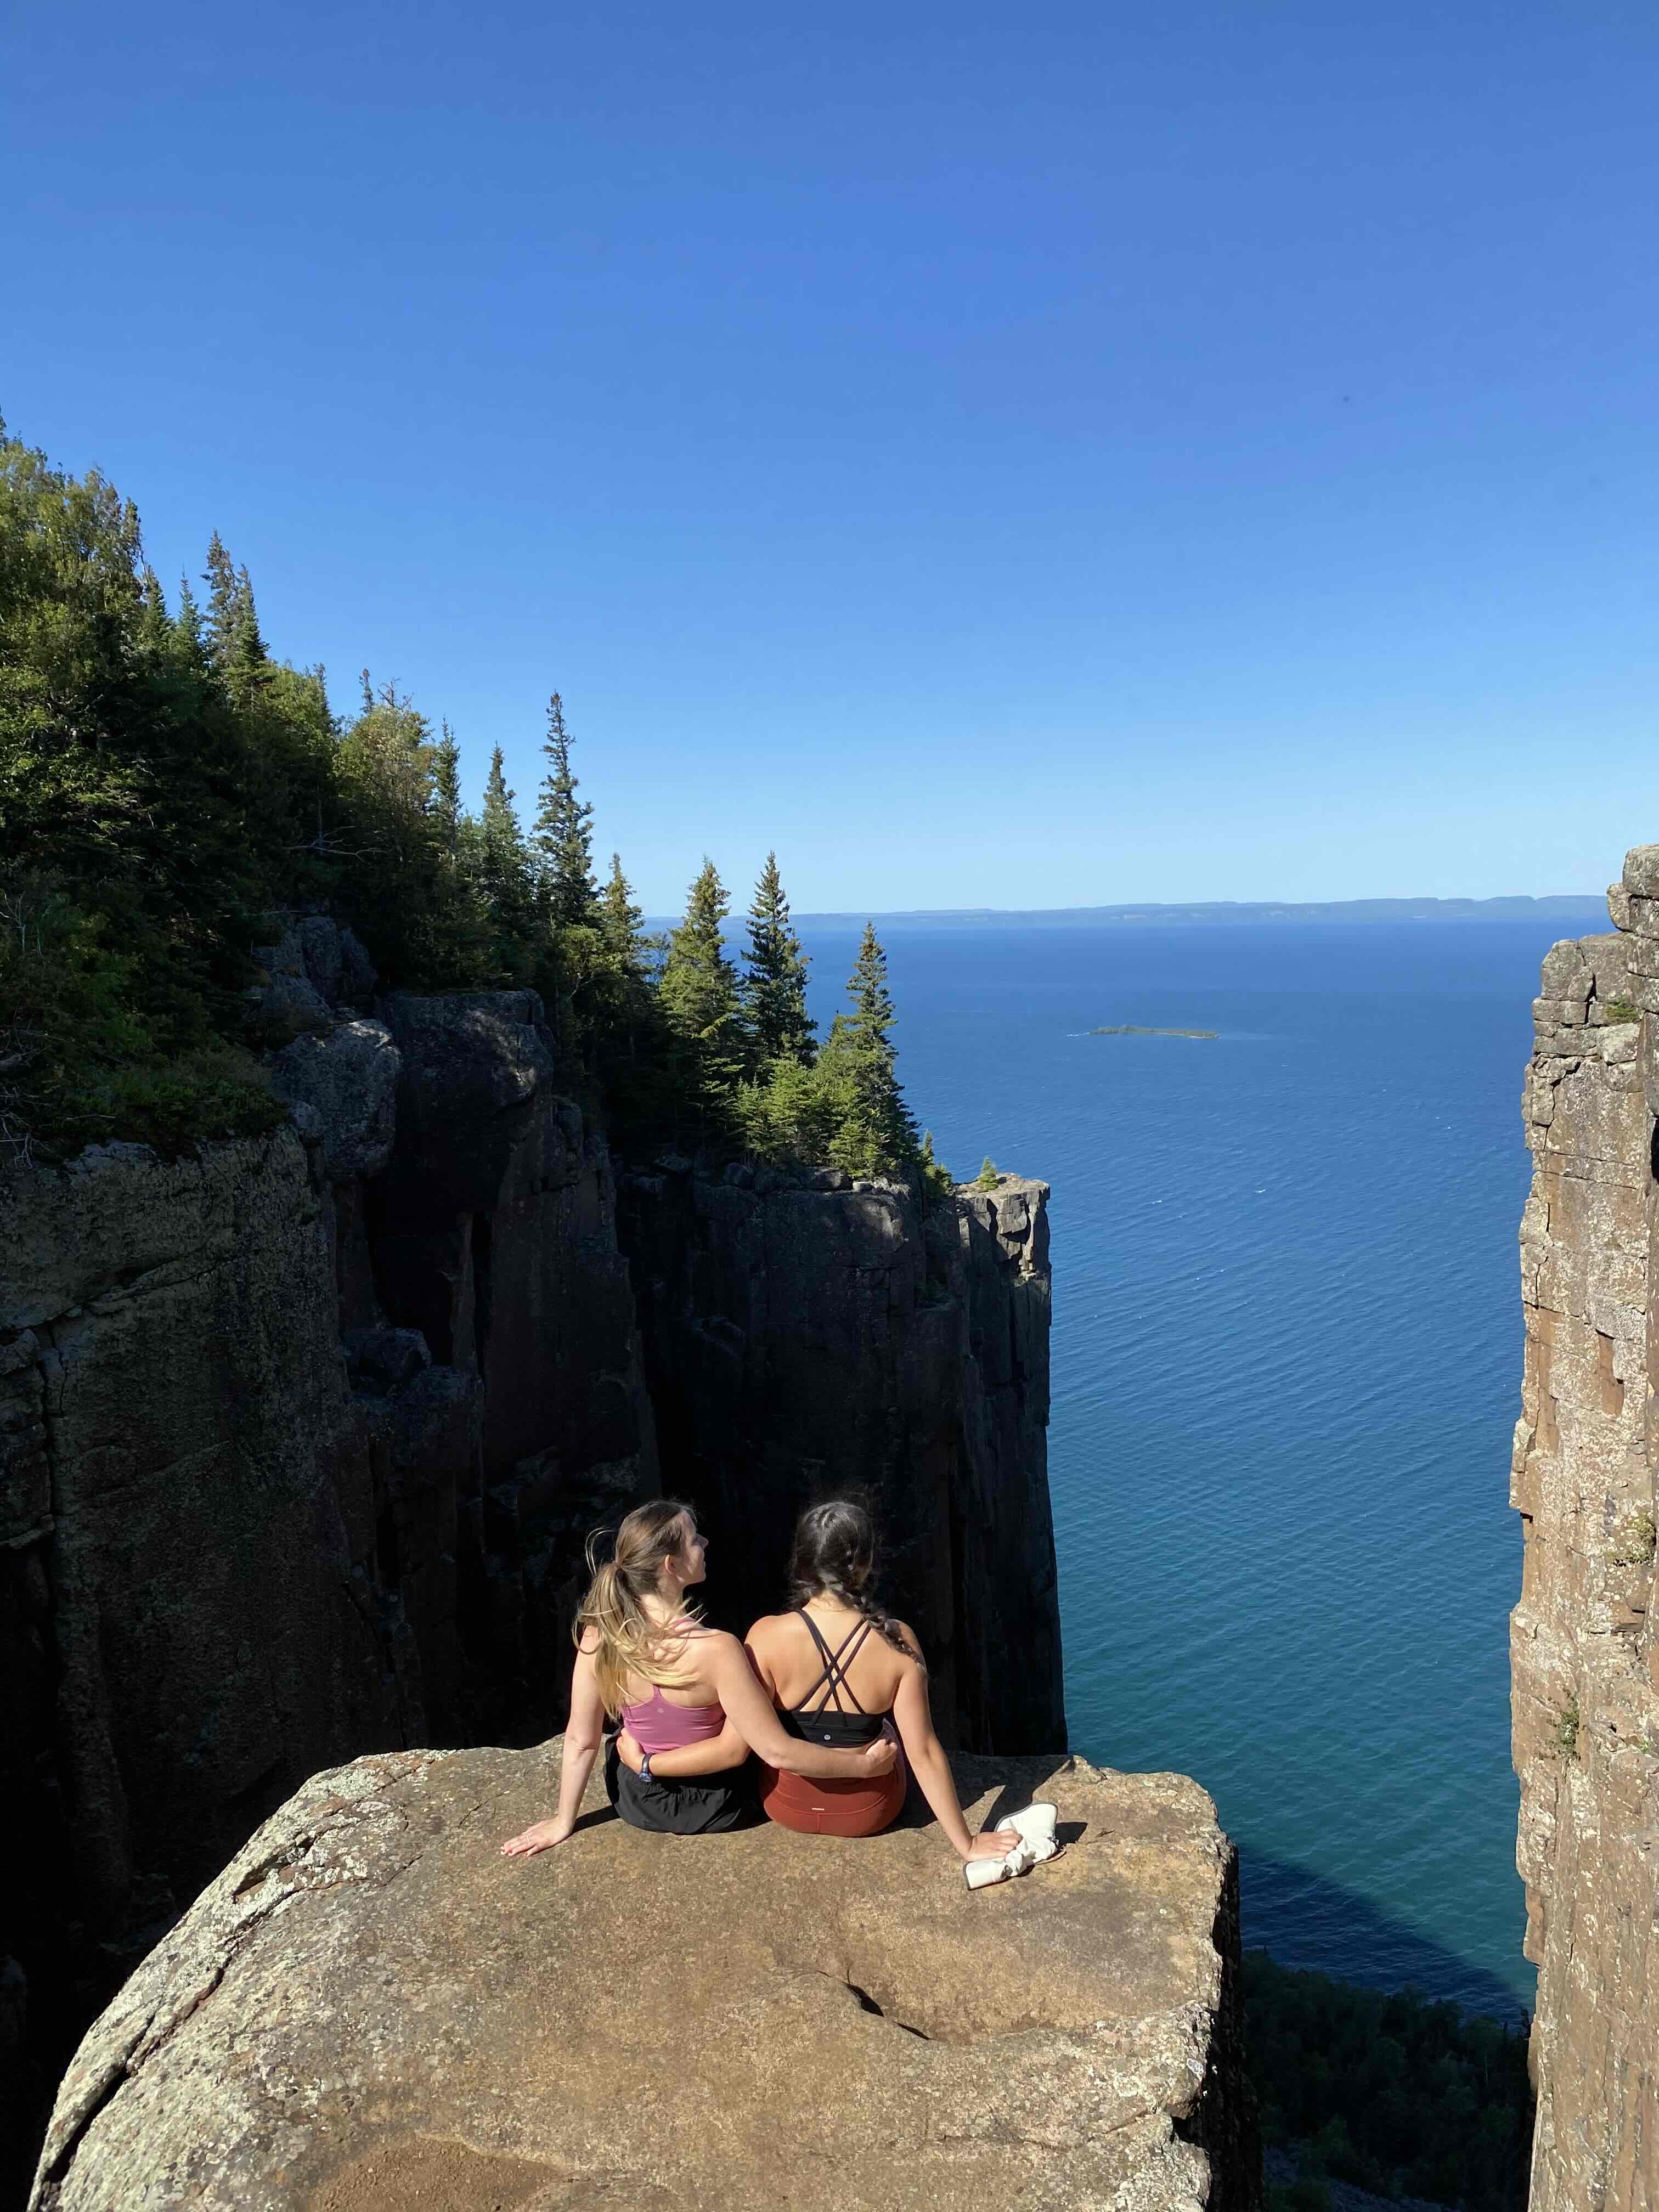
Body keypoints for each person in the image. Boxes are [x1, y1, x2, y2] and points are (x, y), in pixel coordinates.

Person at [614, 1497, 1018, 1865]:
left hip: (786, 1805)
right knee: (892, 1730)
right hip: (871, 1810)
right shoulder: (897, 1640)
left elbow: (749, 1744)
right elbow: (924, 1752)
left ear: (803, 1562)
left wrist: (650, 1760)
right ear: (865, 1562)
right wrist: (966, 1844)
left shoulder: (764, 1636)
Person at [499, 1498, 898, 1854]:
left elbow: (582, 1739)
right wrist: (863, 1767)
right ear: (671, 1565)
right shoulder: (719, 1650)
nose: (705, 1543)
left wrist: (563, 1820)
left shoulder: (600, 1635)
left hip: (637, 1801)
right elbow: (767, 1751)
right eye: (694, 1539)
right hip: (718, 1805)